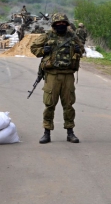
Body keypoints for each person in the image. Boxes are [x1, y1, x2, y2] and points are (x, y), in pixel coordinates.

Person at [30, 13, 85, 144]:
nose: (61, 25)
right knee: (49, 105)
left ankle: (70, 132)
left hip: (68, 75)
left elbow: (82, 51)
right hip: (52, 75)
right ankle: (46, 132)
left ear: (66, 24)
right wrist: (44, 51)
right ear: (54, 25)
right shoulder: (47, 36)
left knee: (68, 105)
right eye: (58, 23)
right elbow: (33, 48)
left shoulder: (72, 37)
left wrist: (79, 49)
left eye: (63, 23)